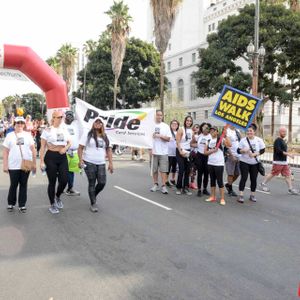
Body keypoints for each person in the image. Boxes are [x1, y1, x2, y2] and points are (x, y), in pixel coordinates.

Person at [78, 117, 113, 212]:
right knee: (92, 182)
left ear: (102, 124)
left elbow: (109, 149)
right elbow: (80, 148)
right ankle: (93, 203)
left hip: (101, 163)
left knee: (102, 183)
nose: (98, 123)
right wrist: (80, 160)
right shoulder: (88, 134)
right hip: (89, 162)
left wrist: (110, 163)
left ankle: (93, 195)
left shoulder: (105, 136)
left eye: (100, 122)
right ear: (93, 123)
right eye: (96, 122)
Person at [40, 110, 72, 214]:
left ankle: (57, 196)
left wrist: (65, 148)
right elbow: (43, 147)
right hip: (51, 157)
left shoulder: (64, 129)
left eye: (62, 117)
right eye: (59, 117)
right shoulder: (47, 130)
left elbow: (70, 142)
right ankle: (52, 204)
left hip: (62, 157)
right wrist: (41, 161)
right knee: (52, 182)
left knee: (64, 180)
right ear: (53, 118)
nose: (61, 119)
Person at [2, 116, 36, 212]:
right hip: (13, 165)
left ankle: (22, 205)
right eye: (18, 123)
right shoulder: (10, 135)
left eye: (22, 123)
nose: (20, 125)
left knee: (23, 184)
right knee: (13, 184)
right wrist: (5, 165)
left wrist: (34, 163)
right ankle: (11, 203)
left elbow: (33, 149)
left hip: (26, 164)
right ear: (14, 124)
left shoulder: (28, 135)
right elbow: (5, 151)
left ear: (24, 124)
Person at [260, 127, 298, 194]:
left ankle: (290, 188)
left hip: (284, 162)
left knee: (287, 175)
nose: (285, 133)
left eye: (285, 132)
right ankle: (263, 183)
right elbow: (279, 151)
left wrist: (289, 153)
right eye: (283, 132)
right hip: (278, 161)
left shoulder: (283, 140)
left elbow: (283, 150)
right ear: (280, 132)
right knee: (273, 173)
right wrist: (289, 154)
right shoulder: (277, 140)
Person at [237, 123, 266, 203]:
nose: (249, 132)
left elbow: (263, 150)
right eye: (248, 131)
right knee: (244, 178)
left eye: (251, 131)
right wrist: (243, 150)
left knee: (253, 179)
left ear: (254, 131)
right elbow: (238, 150)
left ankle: (252, 195)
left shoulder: (258, 140)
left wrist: (255, 154)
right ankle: (241, 195)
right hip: (244, 162)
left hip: (255, 163)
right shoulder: (243, 140)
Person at [204, 126, 231, 205]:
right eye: (211, 130)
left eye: (214, 130)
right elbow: (205, 152)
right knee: (212, 180)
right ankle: (213, 196)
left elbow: (229, 145)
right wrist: (212, 150)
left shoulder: (221, 139)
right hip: (210, 163)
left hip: (219, 163)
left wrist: (225, 136)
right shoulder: (208, 140)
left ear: (217, 132)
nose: (212, 131)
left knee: (220, 181)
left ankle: (222, 198)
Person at [150, 110, 172, 194]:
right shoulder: (151, 125)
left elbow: (168, 139)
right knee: (154, 169)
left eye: (161, 115)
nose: (159, 116)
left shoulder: (165, 126)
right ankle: (155, 184)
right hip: (153, 151)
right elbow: (147, 139)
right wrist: (149, 149)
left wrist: (160, 136)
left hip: (163, 152)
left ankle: (163, 186)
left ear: (162, 116)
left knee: (163, 170)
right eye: (158, 115)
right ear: (155, 116)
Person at [64, 111, 81, 196]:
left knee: (72, 171)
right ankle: (63, 186)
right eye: (68, 115)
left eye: (71, 115)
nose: (70, 117)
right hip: (65, 152)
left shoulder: (75, 126)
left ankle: (70, 188)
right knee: (64, 171)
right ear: (65, 116)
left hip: (74, 152)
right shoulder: (62, 126)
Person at [176, 116, 193, 195]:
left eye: (190, 121)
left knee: (188, 170)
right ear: (185, 121)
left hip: (188, 152)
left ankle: (185, 187)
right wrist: (180, 151)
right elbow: (178, 141)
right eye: (187, 120)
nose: (188, 122)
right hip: (180, 151)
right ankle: (179, 187)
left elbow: (192, 142)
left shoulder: (192, 131)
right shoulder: (181, 129)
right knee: (181, 170)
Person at [194, 122, 211, 197]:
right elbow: (193, 143)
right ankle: (199, 190)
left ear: (209, 129)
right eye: (204, 127)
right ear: (202, 128)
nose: (205, 129)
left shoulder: (210, 137)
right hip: (199, 156)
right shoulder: (199, 136)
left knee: (206, 173)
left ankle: (204, 189)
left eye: (207, 127)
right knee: (200, 173)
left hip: (207, 156)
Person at [224, 125, 242, 196]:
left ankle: (228, 184)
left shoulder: (238, 131)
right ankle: (230, 190)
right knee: (230, 174)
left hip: (238, 155)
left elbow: (240, 142)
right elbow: (227, 145)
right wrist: (231, 155)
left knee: (237, 173)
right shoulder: (226, 131)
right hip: (230, 156)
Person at [166, 119, 179, 187]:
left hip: (176, 153)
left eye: (176, 124)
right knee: (168, 167)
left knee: (174, 167)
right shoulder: (168, 132)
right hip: (169, 153)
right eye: (173, 123)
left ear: (177, 125)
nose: (174, 125)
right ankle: (166, 180)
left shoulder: (179, 132)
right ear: (170, 125)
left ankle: (173, 179)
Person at [189, 123, 200, 190]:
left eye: (197, 127)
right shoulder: (191, 135)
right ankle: (188, 182)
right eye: (195, 127)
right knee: (191, 169)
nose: (196, 128)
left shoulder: (200, 136)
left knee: (194, 169)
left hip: (197, 154)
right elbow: (190, 144)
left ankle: (192, 183)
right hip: (191, 154)